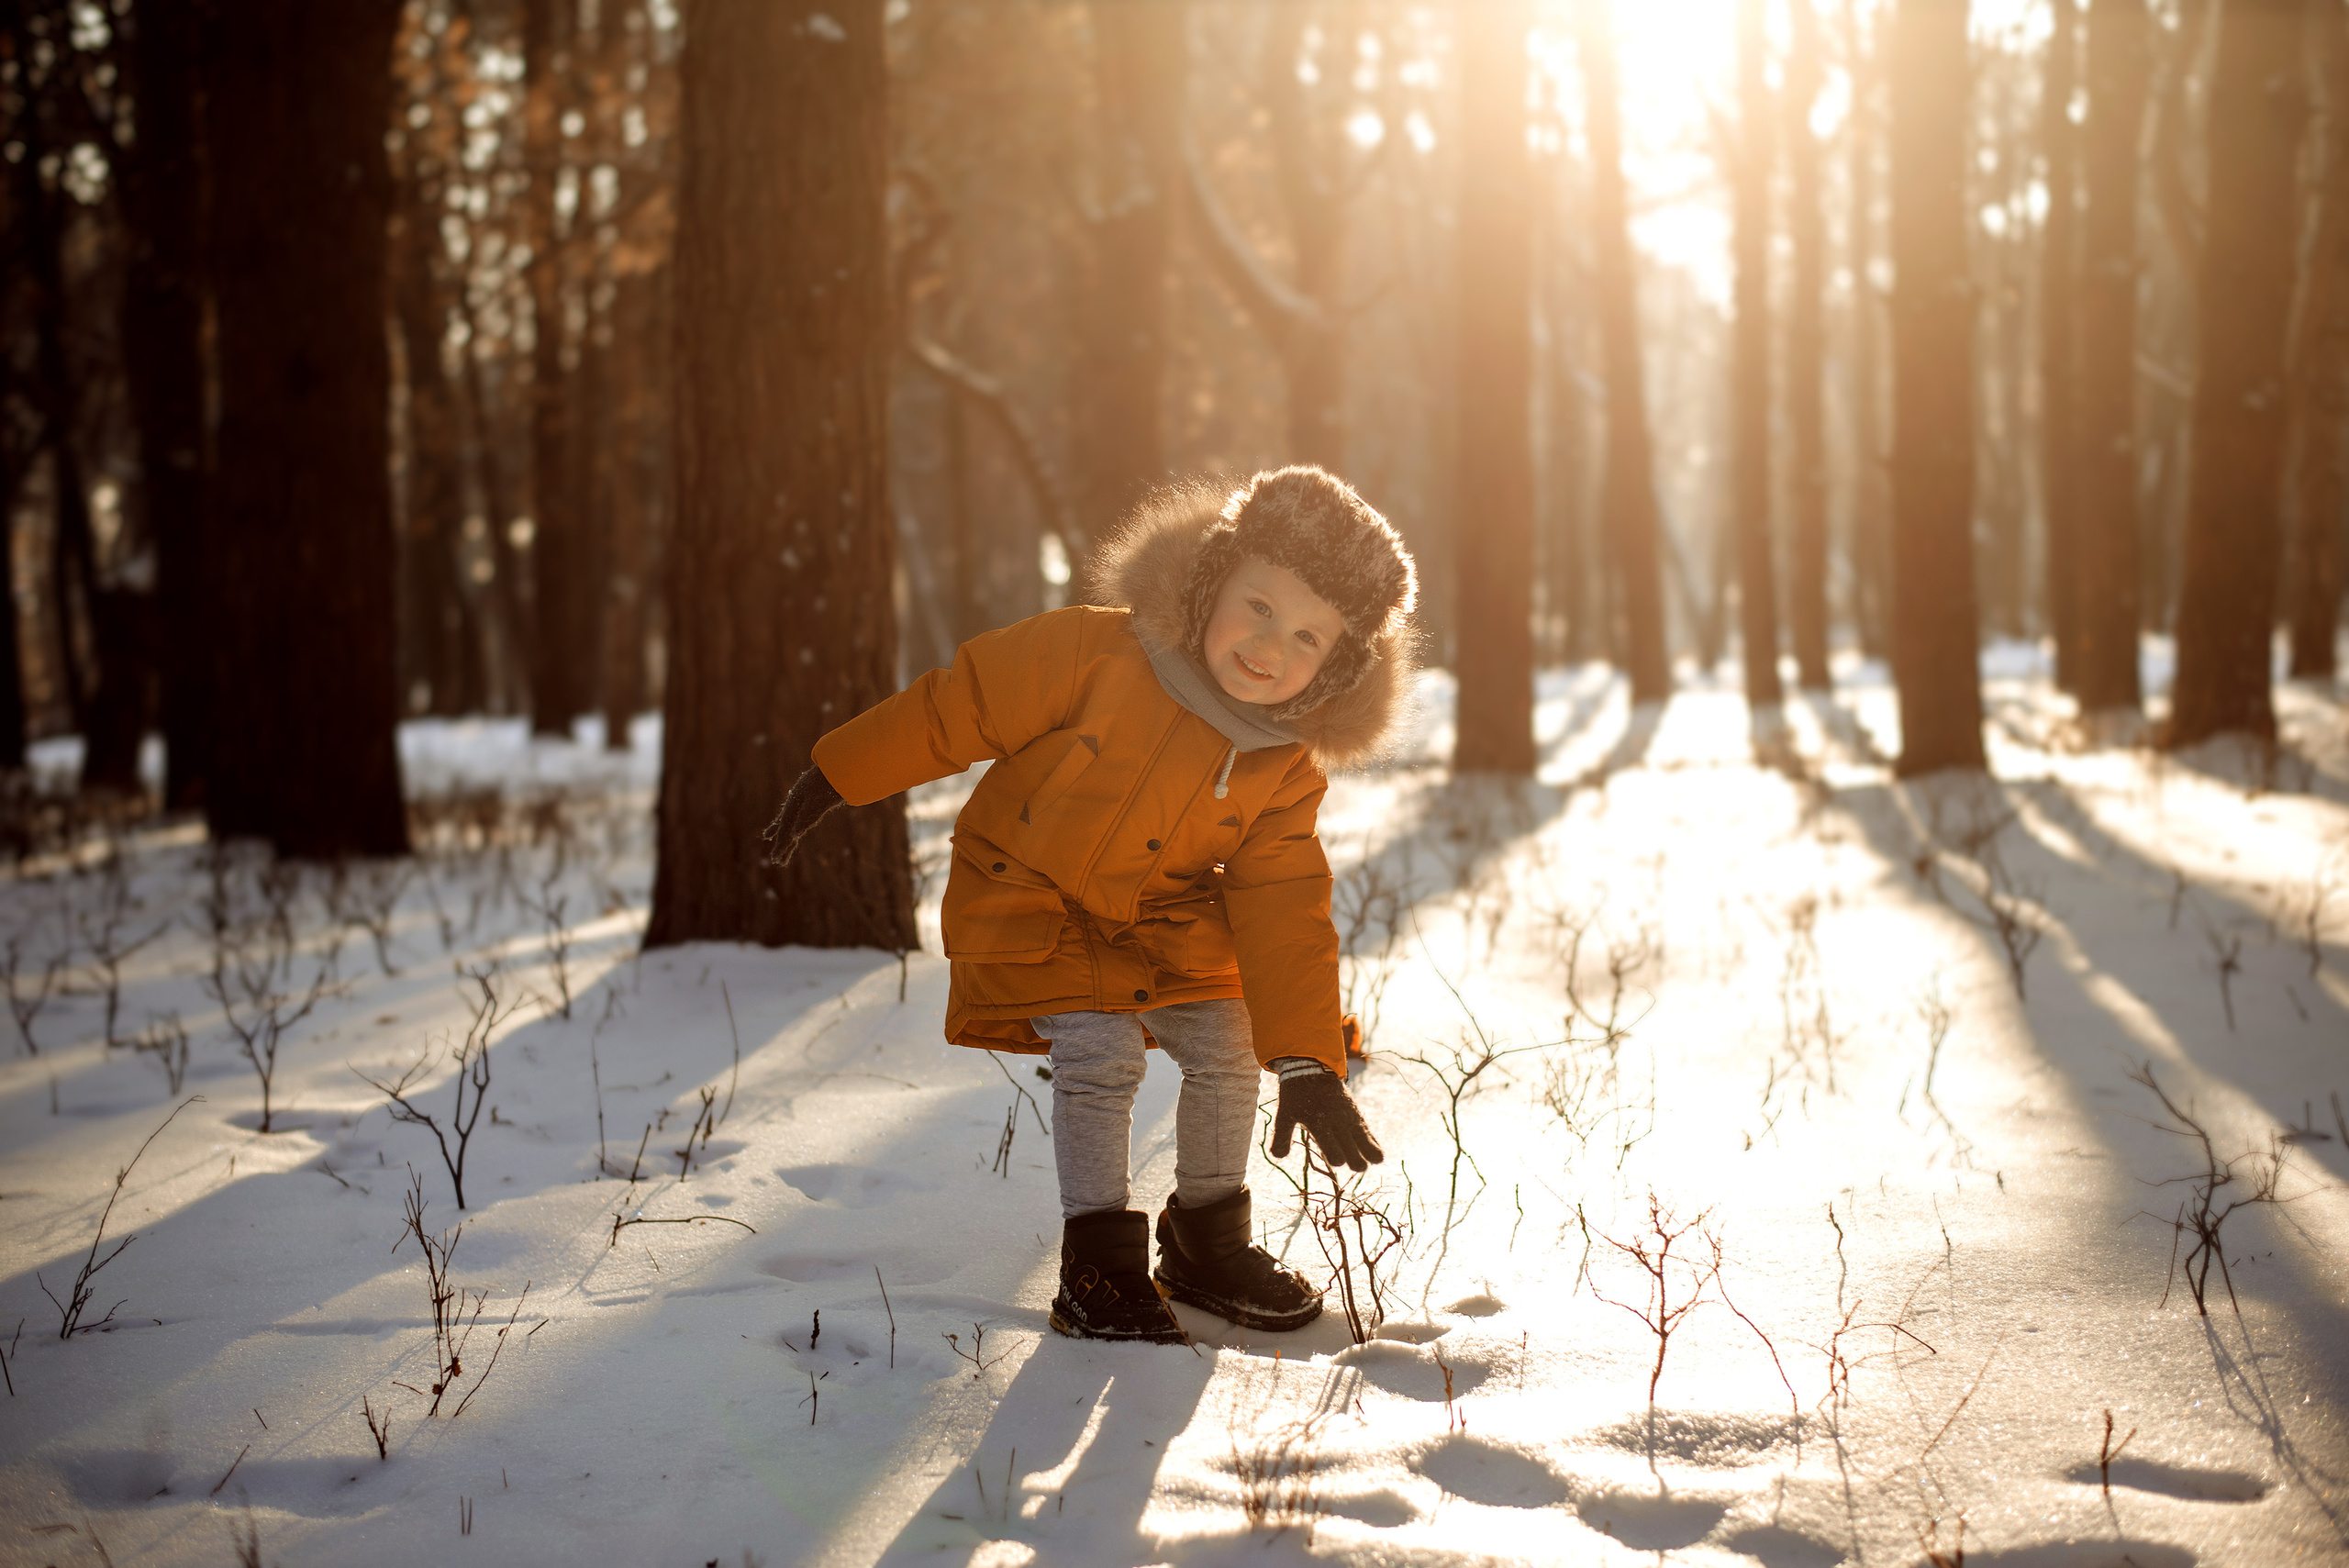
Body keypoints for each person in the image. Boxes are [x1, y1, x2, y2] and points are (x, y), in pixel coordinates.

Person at [763, 465, 1416, 1344]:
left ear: (1336, 662)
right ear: (1213, 576)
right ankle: (1097, 1267)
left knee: (1228, 1039)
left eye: (1307, 635)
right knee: (1101, 1050)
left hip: (1160, 916)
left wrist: (1306, 1059)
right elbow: (962, 704)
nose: (1270, 645)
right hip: (1031, 892)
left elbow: (1284, 901)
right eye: (1259, 605)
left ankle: (1207, 1243)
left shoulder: (1284, 761)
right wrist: (839, 771)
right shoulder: (1095, 650)